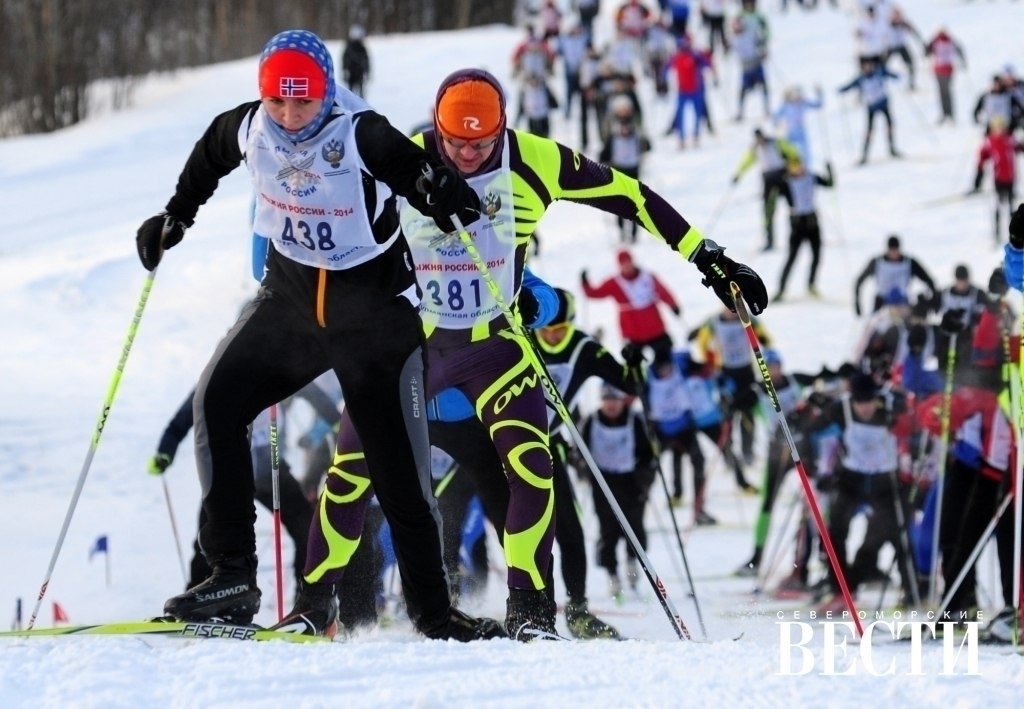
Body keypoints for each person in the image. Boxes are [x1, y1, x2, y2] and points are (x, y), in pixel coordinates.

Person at [300, 67, 768, 641]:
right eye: (454, 143)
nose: (467, 155)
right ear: (436, 129)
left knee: (533, 468)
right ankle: (313, 608)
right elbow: (320, 202)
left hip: (495, 345)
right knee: (351, 471)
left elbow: (631, 196)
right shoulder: (402, 157)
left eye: (481, 143)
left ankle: (530, 614)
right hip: (413, 347)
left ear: (503, 128)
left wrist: (707, 256)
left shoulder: (535, 159)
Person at [135, 29, 501, 641]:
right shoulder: (250, 126)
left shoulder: (359, 131)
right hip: (292, 305)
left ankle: (435, 615)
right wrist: (176, 215)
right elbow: (210, 154)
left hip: (373, 319)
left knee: (400, 478)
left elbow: (410, 169)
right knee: (217, 401)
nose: (289, 115)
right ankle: (230, 576)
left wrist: (443, 193)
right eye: (278, 101)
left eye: (302, 103)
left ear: (327, 93)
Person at [148, 380, 337, 590]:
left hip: (272, 473)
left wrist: (340, 426)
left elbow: (315, 395)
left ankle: (308, 599)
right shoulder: (218, 377)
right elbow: (183, 419)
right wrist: (165, 451)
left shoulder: (277, 372)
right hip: (229, 475)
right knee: (209, 540)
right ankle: (194, 602)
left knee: (308, 530)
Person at [580, 384, 656, 599]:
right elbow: (579, 452)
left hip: (631, 481)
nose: (611, 405)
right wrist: (582, 467)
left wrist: (647, 475)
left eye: (615, 399)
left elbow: (649, 454)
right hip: (603, 483)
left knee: (635, 527)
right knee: (608, 530)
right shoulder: (591, 421)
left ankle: (632, 562)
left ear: (623, 400)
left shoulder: (635, 420)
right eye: (607, 400)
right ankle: (613, 575)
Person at [582, 249, 682, 363]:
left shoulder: (647, 276)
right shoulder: (615, 283)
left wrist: (673, 305)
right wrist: (585, 283)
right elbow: (594, 293)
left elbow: (663, 292)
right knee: (634, 363)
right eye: (623, 264)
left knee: (666, 358)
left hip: (655, 327)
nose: (627, 266)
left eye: (628, 262)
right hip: (632, 331)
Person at [773, 157, 834, 302]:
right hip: (797, 223)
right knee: (792, 257)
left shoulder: (811, 177)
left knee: (816, 255)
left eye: (799, 166)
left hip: (812, 221)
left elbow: (830, 184)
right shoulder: (786, 182)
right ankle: (781, 289)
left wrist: (830, 171)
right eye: (794, 167)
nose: (799, 170)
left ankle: (811, 285)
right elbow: (775, 192)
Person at [731, 128, 801, 252]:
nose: (760, 141)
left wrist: (796, 167)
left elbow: (792, 153)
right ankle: (769, 241)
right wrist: (738, 174)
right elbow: (746, 161)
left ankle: (798, 235)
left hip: (782, 175)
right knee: (768, 211)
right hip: (768, 179)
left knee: (793, 206)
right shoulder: (755, 148)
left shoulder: (775, 143)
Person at [599, 97, 651, 243]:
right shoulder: (613, 132)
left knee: (634, 203)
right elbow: (604, 153)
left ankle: (634, 232)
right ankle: (622, 231)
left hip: (633, 169)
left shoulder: (636, 130)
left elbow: (647, 145)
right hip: (619, 170)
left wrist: (643, 145)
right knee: (620, 204)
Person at [969, 116, 1024, 242]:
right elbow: (982, 155)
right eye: (997, 128)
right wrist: (980, 171)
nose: (999, 130)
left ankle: (1014, 234)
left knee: (1011, 207)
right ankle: (997, 234)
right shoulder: (990, 142)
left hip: (1011, 178)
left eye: (1001, 127)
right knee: (999, 206)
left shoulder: (1010, 140)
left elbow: (1020, 147)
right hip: (998, 179)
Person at [853, 234, 936, 317]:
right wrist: (857, 302)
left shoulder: (909, 263)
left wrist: (933, 299)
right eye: (891, 251)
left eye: (896, 250)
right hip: (881, 304)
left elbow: (929, 280)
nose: (894, 254)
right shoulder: (877, 262)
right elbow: (859, 280)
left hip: (903, 304)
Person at [839, 57, 901, 165]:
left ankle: (892, 149)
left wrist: (896, 77)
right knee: (869, 130)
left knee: (890, 125)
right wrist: (842, 90)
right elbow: (850, 85)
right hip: (871, 106)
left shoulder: (879, 72)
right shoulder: (861, 78)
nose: (868, 67)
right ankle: (865, 155)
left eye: (870, 65)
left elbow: (891, 75)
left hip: (883, 103)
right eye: (866, 66)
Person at [923, 27, 966, 124]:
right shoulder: (935, 42)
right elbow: (926, 52)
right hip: (939, 70)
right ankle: (944, 114)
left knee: (947, 91)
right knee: (942, 92)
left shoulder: (950, 41)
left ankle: (950, 114)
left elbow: (959, 50)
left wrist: (963, 61)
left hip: (948, 70)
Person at [341, 25, 371, 98]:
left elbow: (366, 60)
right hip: (351, 73)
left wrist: (367, 71)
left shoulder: (362, 48)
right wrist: (345, 70)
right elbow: (345, 60)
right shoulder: (349, 48)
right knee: (350, 92)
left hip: (359, 73)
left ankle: (361, 105)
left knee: (361, 92)